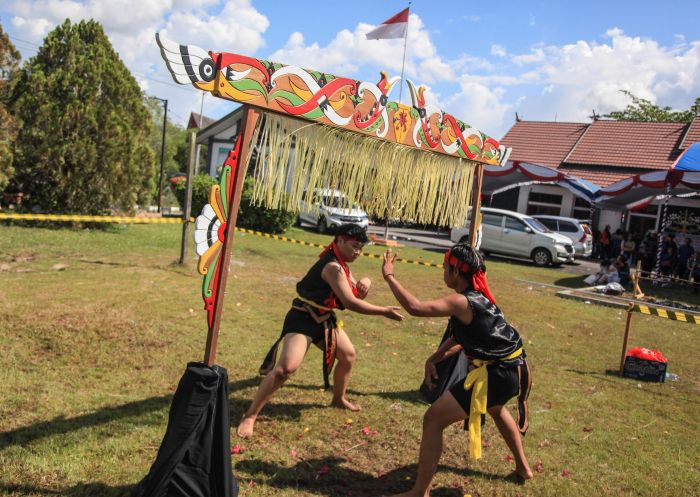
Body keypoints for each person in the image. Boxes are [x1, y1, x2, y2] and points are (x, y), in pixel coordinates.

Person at [381, 244, 533, 496]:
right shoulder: (479, 296)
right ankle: (523, 468)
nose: (442, 271)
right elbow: (465, 336)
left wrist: (389, 276)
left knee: (433, 419)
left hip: (499, 373)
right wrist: (435, 356)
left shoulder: (461, 301)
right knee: (495, 408)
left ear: (455, 272)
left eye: (445, 267)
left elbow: (415, 307)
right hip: (514, 369)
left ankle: (420, 492)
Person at [237, 224, 403, 438]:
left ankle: (338, 398)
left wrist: (366, 282)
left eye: (360, 248)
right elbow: (350, 303)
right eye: (354, 246)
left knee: (348, 356)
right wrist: (383, 311)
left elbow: (354, 293)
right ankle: (250, 415)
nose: (357, 252)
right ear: (339, 241)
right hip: (303, 318)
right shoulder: (332, 266)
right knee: (285, 369)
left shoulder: (342, 263)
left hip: (324, 319)